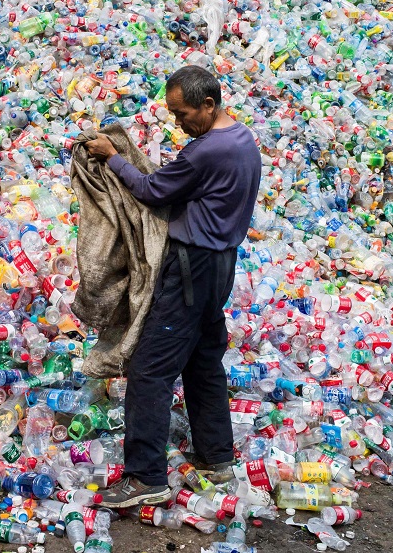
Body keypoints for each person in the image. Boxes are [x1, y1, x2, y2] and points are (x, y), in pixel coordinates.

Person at [83, 65, 262, 508]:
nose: (179, 123)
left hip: (190, 268)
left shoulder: (206, 152)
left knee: (150, 369)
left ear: (209, 104)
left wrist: (113, 156)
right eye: (173, 114)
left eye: (184, 114)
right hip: (221, 265)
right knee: (203, 362)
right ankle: (217, 457)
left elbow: (150, 189)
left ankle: (145, 478)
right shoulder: (242, 139)